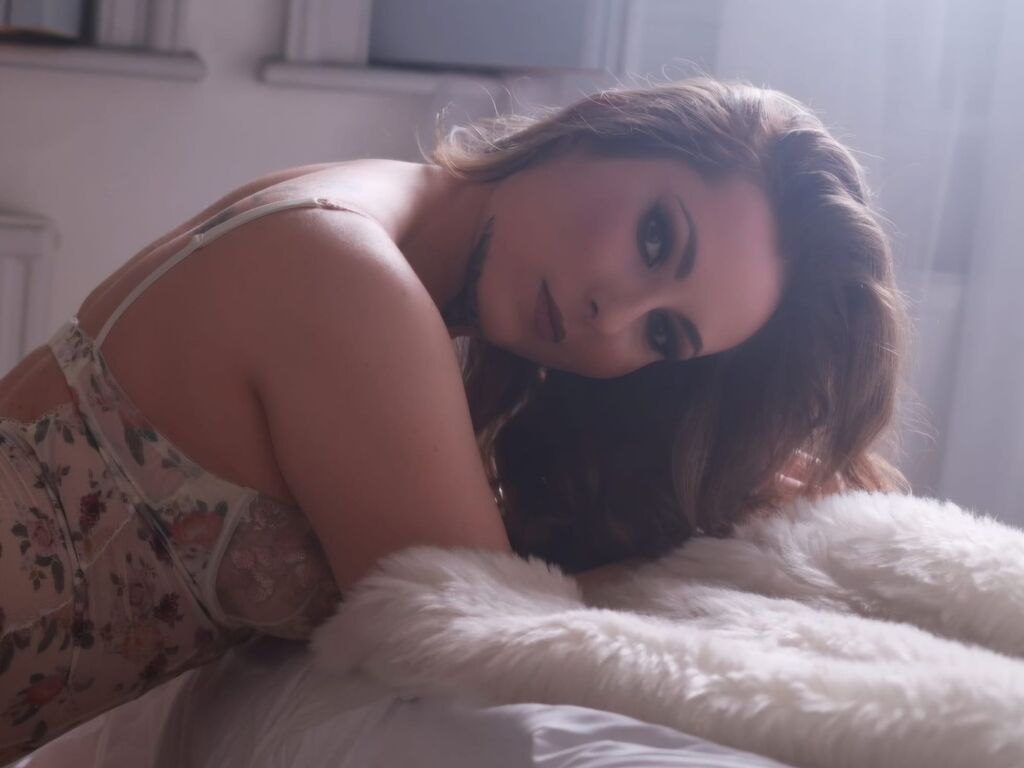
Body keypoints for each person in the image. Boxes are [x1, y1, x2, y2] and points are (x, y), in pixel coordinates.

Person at [0, 76, 908, 761]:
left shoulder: (377, 218)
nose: (613, 314)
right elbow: (484, 639)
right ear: (602, 129)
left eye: (663, 335)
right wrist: (741, 536)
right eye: (655, 238)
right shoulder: (350, 276)